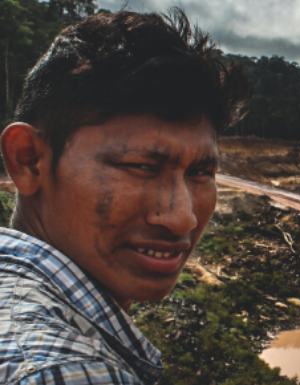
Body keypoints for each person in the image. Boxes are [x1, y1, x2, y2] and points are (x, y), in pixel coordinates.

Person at [0, 8, 248, 384]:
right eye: (142, 167)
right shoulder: (60, 371)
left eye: (201, 173)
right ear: (29, 160)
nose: (183, 218)